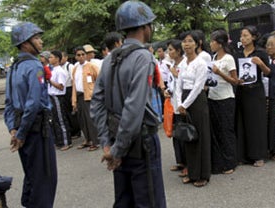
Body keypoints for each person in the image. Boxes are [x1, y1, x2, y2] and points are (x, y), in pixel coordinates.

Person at [90, 1, 166, 207]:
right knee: (149, 200)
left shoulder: (109, 59)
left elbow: (96, 103)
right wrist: (117, 150)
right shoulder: (144, 57)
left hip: (117, 140)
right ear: (144, 27)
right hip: (139, 142)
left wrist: (108, 144)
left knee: (124, 200)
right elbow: (134, 109)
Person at [4, 21, 57, 208]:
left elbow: (9, 103)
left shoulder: (14, 68)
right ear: (25, 43)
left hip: (22, 130)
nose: (41, 41)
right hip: (36, 130)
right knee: (45, 179)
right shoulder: (34, 67)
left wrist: (13, 129)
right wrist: (21, 132)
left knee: (32, 176)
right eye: (36, 38)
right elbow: (33, 103)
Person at [176, 30, 211, 187]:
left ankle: (203, 174)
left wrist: (185, 104)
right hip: (184, 100)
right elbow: (178, 85)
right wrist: (178, 103)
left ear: (197, 44)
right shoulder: (183, 63)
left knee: (200, 136)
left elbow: (198, 87)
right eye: (184, 41)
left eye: (190, 41)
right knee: (188, 136)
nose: (187, 44)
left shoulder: (201, 63)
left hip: (196, 101)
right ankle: (192, 172)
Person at [235, 25, 271, 167]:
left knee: (256, 124)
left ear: (254, 37)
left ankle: (259, 155)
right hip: (242, 91)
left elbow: (268, 72)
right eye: (241, 36)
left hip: (256, 91)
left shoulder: (260, 53)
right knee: (242, 122)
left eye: (246, 35)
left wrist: (260, 63)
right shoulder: (238, 54)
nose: (243, 39)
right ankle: (243, 155)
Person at [208, 29, 239, 174]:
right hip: (212, 97)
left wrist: (219, 73)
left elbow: (235, 81)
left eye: (213, 41)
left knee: (226, 131)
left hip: (225, 98)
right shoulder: (213, 57)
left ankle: (230, 162)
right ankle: (219, 162)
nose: (211, 44)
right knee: (216, 131)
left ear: (220, 44)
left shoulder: (228, 59)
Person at [164, 39, 187, 173]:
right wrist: (168, 90)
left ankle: (188, 163)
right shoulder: (172, 64)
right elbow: (171, 84)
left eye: (171, 50)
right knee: (176, 134)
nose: (169, 52)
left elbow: (185, 82)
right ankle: (180, 161)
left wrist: (175, 74)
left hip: (182, 103)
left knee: (184, 133)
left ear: (178, 51)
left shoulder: (184, 64)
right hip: (173, 104)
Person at [72, 46, 100, 151]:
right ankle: (87, 140)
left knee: (90, 120)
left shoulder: (92, 66)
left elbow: (100, 80)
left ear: (86, 55)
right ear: (75, 57)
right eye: (78, 55)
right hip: (79, 96)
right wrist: (73, 100)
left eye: (83, 54)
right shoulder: (75, 68)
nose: (81, 57)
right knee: (82, 120)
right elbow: (74, 85)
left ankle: (95, 141)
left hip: (90, 96)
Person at [48, 50, 72, 150]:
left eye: (51, 57)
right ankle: (59, 141)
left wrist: (49, 80)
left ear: (57, 59)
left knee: (61, 119)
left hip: (58, 97)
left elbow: (61, 87)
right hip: (51, 97)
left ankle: (66, 142)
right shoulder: (52, 70)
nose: (49, 59)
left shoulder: (60, 71)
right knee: (54, 120)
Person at [61, 51, 81, 139]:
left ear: (66, 57)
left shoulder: (70, 66)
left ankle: (77, 131)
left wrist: (73, 93)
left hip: (70, 89)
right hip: (63, 91)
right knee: (66, 112)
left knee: (72, 111)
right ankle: (71, 130)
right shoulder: (59, 67)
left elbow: (74, 80)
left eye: (61, 57)